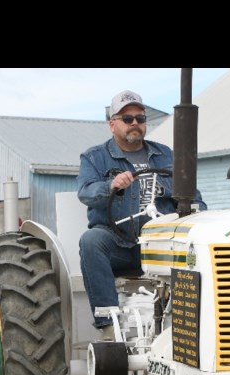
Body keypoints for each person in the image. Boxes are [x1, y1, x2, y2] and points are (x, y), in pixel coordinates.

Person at [77, 89, 207, 340]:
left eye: (140, 118)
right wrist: (112, 185)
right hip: (119, 245)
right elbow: (86, 192)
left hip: (162, 245)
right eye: (127, 119)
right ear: (112, 124)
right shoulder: (95, 157)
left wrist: (199, 213)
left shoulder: (166, 154)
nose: (135, 123)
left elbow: (193, 195)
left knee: (199, 245)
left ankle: (194, 327)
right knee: (91, 241)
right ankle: (109, 327)